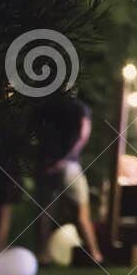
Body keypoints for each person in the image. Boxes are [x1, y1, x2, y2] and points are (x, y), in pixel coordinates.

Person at [36, 93, 103, 264]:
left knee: (45, 212)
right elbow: (83, 135)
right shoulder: (79, 107)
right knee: (81, 212)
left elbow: (35, 134)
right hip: (69, 165)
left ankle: (44, 256)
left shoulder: (45, 106)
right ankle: (95, 255)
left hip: (47, 165)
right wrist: (65, 159)